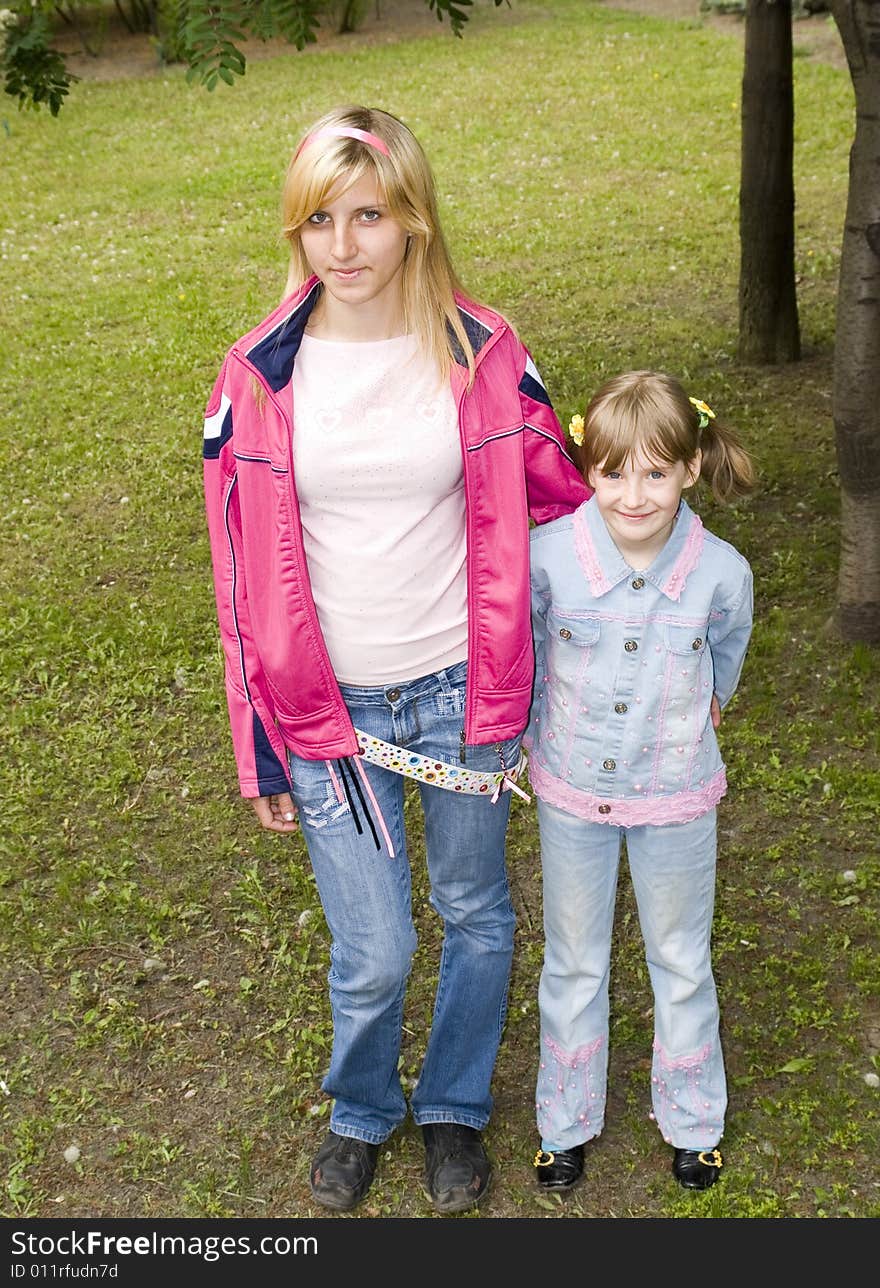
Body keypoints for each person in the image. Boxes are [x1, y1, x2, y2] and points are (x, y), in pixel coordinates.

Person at [201, 104, 589, 1214]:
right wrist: (260, 747)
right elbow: (237, 585)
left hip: (468, 691)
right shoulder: (255, 377)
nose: (344, 245)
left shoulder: (487, 353)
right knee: (372, 949)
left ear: (413, 217)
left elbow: (567, 513)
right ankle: (363, 1108)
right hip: (329, 715)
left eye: (368, 214)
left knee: (474, 909)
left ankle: (454, 1106)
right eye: (319, 218)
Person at [525, 370, 755, 1193]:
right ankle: (564, 1123)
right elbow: (530, 661)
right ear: (589, 469)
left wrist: (703, 707)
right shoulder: (547, 559)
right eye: (615, 471)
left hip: (676, 797)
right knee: (574, 959)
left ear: (691, 470)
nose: (634, 494)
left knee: (681, 957)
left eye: (657, 472)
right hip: (573, 794)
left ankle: (694, 1123)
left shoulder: (722, 573)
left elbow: (724, 655)